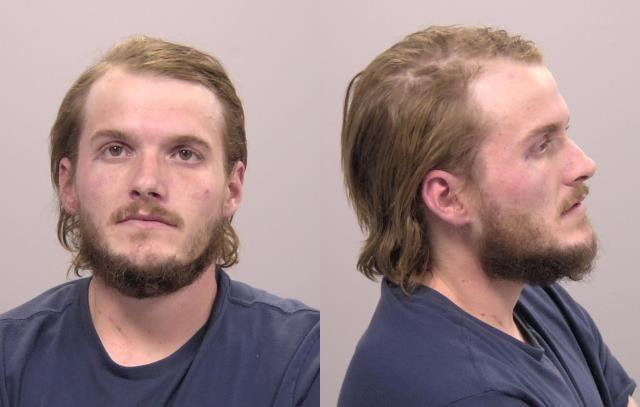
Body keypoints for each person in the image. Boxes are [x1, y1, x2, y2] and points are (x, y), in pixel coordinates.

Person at [0, 37, 319, 407]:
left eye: (185, 154)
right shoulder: (8, 361)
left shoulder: (304, 360)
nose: (147, 182)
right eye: (116, 150)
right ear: (68, 184)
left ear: (231, 189)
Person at [338, 26, 636, 406]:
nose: (584, 165)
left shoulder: (528, 296)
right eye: (542, 145)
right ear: (448, 198)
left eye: (565, 133)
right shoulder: (464, 392)